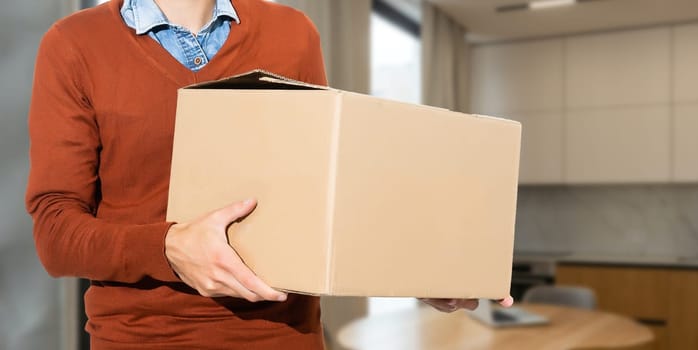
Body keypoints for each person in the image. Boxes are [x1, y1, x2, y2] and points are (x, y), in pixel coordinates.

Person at [26, 0, 513, 348]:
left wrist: (414, 266)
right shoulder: (74, 44)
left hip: (283, 337)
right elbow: (55, 231)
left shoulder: (292, 32)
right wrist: (169, 248)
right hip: (144, 338)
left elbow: (325, 191)